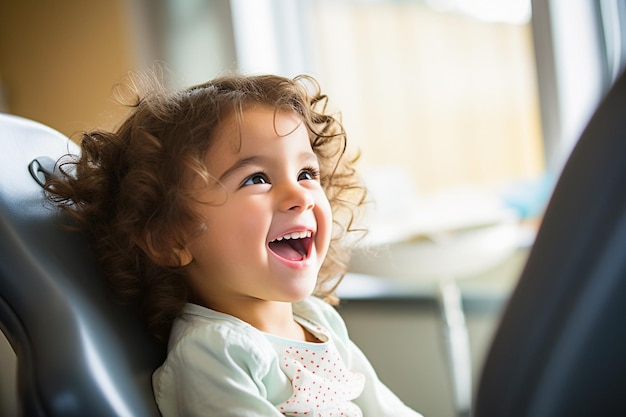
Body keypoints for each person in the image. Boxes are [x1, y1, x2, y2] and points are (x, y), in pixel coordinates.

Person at [46, 71, 423, 417]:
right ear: (171, 238)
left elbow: (385, 408)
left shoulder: (318, 319)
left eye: (306, 173)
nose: (300, 194)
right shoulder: (213, 352)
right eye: (256, 178)